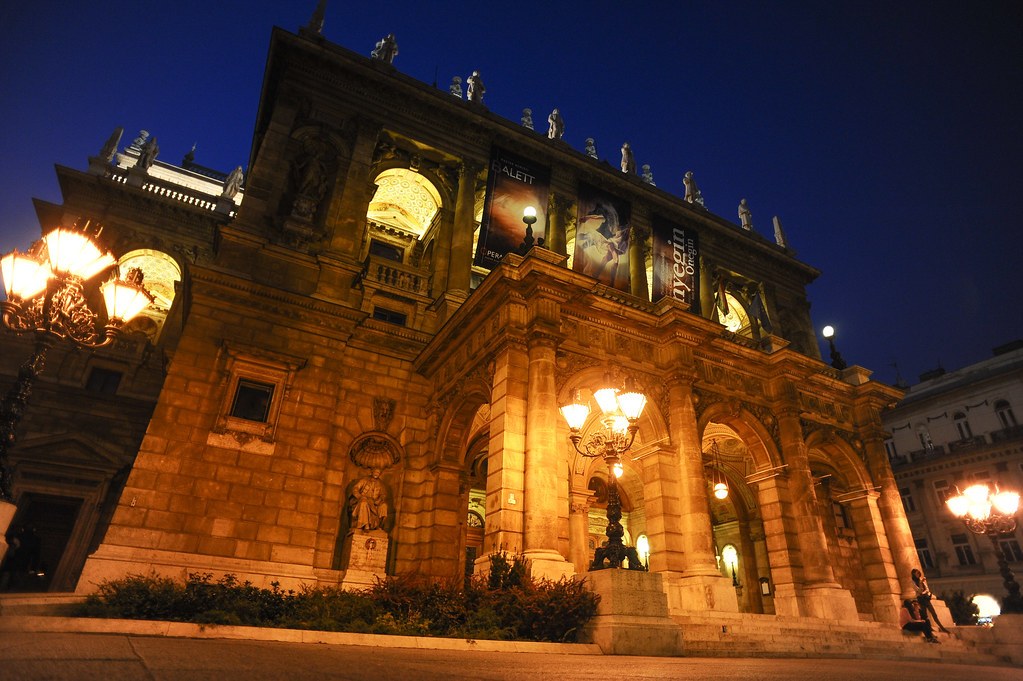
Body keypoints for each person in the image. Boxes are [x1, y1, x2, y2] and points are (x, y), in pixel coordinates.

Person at [911, 568, 951, 634]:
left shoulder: (921, 581)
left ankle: (941, 627)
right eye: (917, 573)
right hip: (921, 599)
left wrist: (923, 591)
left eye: (919, 573)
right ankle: (929, 628)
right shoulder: (913, 582)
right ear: (914, 574)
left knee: (934, 613)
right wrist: (921, 586)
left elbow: (927, 589)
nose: (919, 574)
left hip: (926, 598)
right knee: (925, 615)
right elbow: (919, 590)